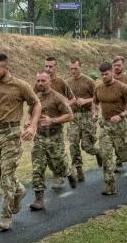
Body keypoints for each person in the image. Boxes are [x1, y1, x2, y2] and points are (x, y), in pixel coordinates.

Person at [0, 53, 40, 231]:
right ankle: (20, 190)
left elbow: (36, 104)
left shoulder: (20, 86)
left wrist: (32, 127)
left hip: (12, 134)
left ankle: (6, 217)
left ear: (6, 68)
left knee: (6, 176)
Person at [29, 71, 76, 209]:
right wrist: (29, 123)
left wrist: (53, 120)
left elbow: (70, 115)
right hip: (39, 137)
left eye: (43, 80)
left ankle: (68, 172)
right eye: (38, 81)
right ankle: (39, 199)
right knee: (37, 167)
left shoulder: (57, 97)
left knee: (59, 165)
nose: (40, 83)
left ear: (50, 81)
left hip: (55, 137)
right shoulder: (35, 98)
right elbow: (30, 113)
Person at [93, 62, 127, 194]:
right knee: (106, 155)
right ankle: (110, 186)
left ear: (112, 72)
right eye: (102, 75)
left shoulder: (122, 87)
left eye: (106, 74)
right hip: (105, 126)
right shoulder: (98, 88)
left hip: (120, 126)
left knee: (124, 156)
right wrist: (95, 113)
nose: (104, 77)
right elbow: (94, 102)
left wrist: (121, 115)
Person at [65, 58, 102, 182]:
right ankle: (79, 170)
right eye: (71, 69)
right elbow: (64, 99)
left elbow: (98, 98)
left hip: (87, 116)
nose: (73, 71)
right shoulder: (67, 82)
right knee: (73, 144)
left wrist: (86, 101)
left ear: (81, 67)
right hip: (74, 117)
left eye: (76, 68)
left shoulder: (89, 81)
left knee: (87, 146)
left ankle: (98, 152)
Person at [43, 56, 75, 188]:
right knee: (47, 154)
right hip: (43, 125)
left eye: (51, 66)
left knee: (58, 154)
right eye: (46, 66)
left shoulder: (61, 83)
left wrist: (64, 106)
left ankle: (63, 173)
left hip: (57, 123)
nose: (48, 69)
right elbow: (34, 101)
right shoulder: (41, 82)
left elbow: (72, 99)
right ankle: (58, 176)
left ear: (56, 67)